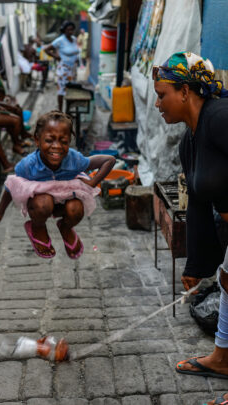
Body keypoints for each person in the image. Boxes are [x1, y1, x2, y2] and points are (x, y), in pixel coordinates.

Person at [153, 52, 228, 405]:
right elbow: (197, 202)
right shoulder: (190, 140)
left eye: (162, 94)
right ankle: (223, 358)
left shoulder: (221, 118)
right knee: (227, 281)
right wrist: (196, 266)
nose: (157, 103)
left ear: (185, 91)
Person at [0, 111, 115, 259]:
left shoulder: (74, 159)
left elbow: (109, 160)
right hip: (41, 204)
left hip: (63, 203)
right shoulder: (28, 165)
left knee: (76, 210)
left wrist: (92, 183)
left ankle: (65, 227)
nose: (57, 146)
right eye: (49, 140)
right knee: (43, 203)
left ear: (69, 142)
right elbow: (11, 186)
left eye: (63, 141)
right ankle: (37, 228)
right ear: (37, 140)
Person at [44, 21, 80, 111]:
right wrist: (56, 57)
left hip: (73, 69)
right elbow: (46, 49)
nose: (70, 32)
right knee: (61, 91)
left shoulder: (74, 39)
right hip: (64, 69)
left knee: (71, 90)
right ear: (64, 30)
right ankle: (60, 110)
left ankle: (68, 109)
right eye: (68, 30)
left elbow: (76, 51)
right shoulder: (60, 40)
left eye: (72, 30)